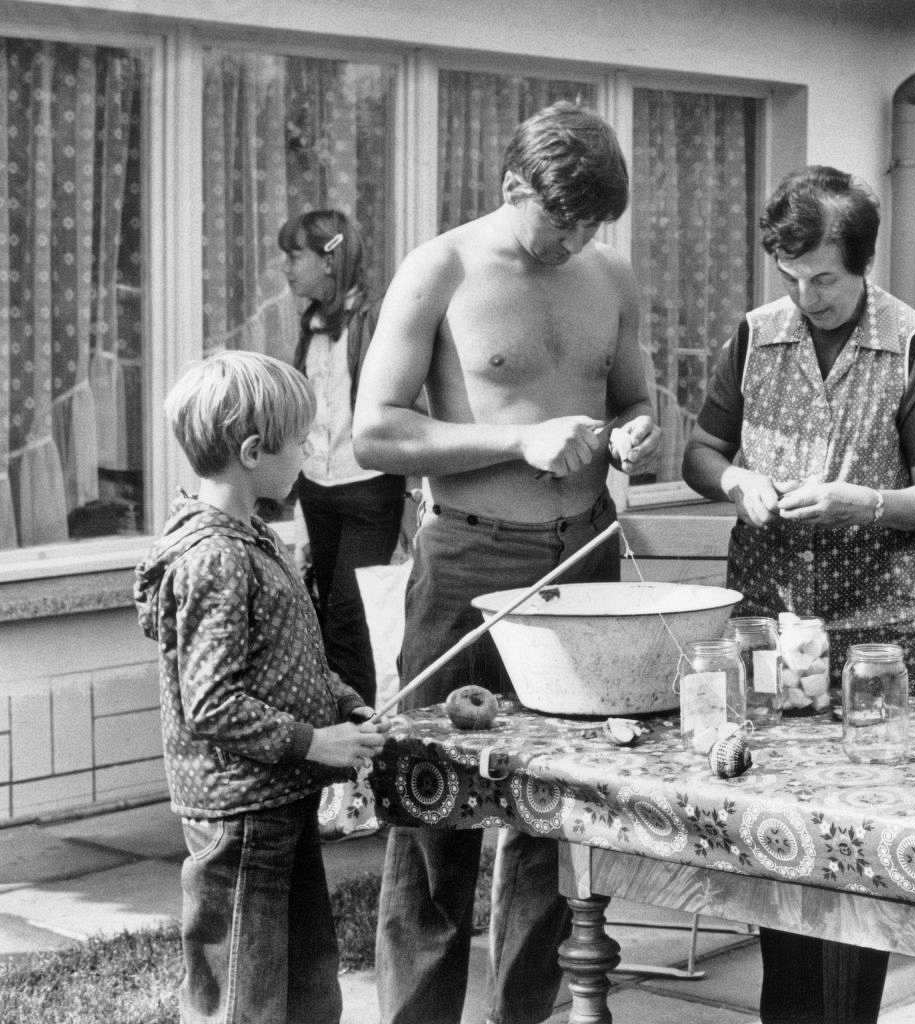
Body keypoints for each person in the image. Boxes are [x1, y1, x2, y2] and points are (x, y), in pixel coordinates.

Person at [351, 101, 660, 1024]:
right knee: (432, 801)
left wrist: (636, 434)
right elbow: (374, 433)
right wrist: (515, 443)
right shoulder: (439, 268)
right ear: (512, 187)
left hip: (584, 555)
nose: (578, 239)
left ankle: (523, 1015)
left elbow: (637, 398)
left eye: (594, 223)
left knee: (553, 814)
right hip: (469, 556)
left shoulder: (609, 272)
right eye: (562, 219)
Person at [682, 165, 915, 1024]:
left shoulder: (912, 345)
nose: (809, 297)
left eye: (826, 279)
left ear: (864, 264)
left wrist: (863, 503)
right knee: (776, 841)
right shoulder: (754, 336)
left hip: (880, 638)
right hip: (773, 630)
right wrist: (734, 482)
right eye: (794, 279)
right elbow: (699, 451)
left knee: (864, 854)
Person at [133, 350, 390, 1024]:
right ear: (253, 451)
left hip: (279, 800)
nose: (309, 452)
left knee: (305, 981)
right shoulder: (215, 558)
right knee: (244, 995)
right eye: (301, 440)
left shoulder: (254, 537)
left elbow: (286, 658)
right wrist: (314, 743)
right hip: (241, 815)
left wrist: (341, 704)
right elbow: (211, 704)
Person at [278, 209, 405, 708]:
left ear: (329, 260)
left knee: (353, 618)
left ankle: (366, 748)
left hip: (369, 486)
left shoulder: (372, 319)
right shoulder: (311, 324)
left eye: (295, 255)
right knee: (325, 614)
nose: (286, 267)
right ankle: (340, 743)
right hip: (317, 488)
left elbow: (399, 405)